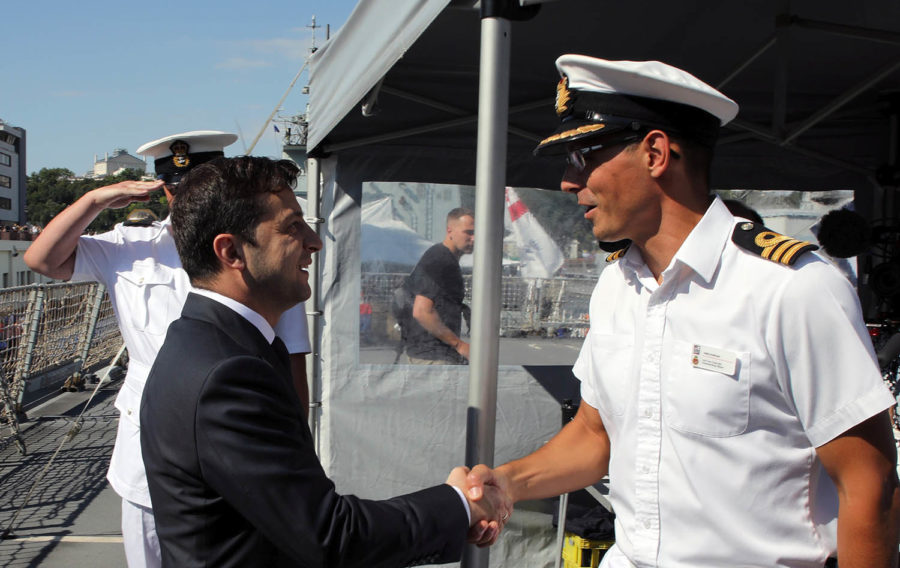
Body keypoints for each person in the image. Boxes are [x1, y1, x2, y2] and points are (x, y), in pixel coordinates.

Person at [466, 56, 900, 567]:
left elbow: (869, 488)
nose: (567, 181)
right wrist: (506, 483)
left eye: (583, 155)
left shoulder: (792, 289)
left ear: (654, 153)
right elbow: (594, 434)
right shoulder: (616, 286)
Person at [139, 156, 507, 566]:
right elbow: (331, 536)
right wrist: (459, 505)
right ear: (231, 251)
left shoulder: (213, 344)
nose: (314, 242)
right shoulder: (229, 372)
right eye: (291, 227)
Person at [23, 131, 313, 568]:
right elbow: (42, 260)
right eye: (177, 188)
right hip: (149, 432)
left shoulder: (257, 255)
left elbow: (290, 361)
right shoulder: (130, 245)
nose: (185, 197)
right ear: (165, 189)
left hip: (238, 430)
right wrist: (97, 200)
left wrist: (298, 449)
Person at [404, 207, 475, 364]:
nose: (474, 238)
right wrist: (459, 345)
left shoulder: (445, 258)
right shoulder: (440, 260)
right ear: (450, 230)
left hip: (432, 353)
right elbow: (422, 311)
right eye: (468, 232)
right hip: (432, 356)